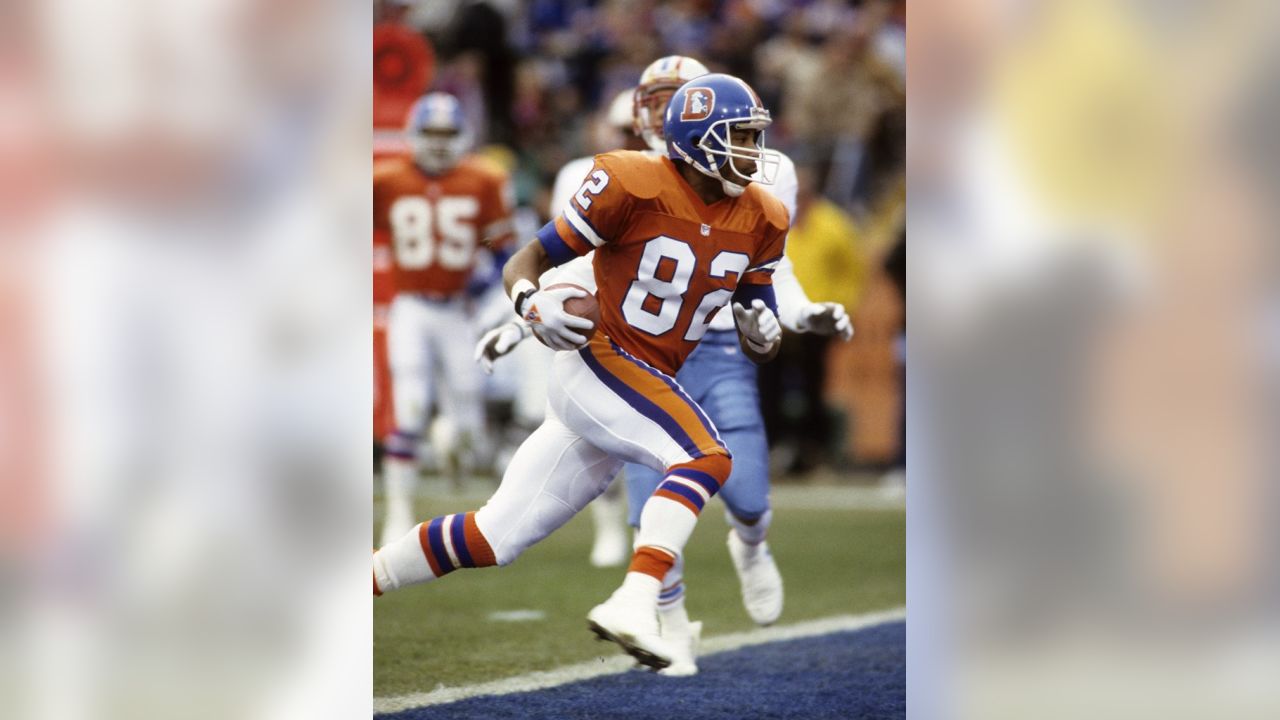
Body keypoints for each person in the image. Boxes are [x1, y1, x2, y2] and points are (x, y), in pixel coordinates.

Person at [374, 73, 788, 671]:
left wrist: (761, 337)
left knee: (493, 537)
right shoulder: (632, 181)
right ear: (698, 139)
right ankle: (636, 597)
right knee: (705, 456)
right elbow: (528, 259)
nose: (754, 151)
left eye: (755, 137)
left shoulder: (764, 216)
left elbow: (760, 328)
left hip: (641, 381)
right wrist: (526, 303)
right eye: (741, 136)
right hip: (601, 359)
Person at [477, 57, 853, 675]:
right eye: (654, 97)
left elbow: (769, 271)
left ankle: (750, 547)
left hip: (719, 346)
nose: (657, 109)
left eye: (675, 96)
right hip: (624, 349)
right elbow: (565, 271)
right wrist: (519, 322)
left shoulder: (764, 179)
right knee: (658, 481)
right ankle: (666, 622)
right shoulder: (615, 176)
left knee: (747, 492)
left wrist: (793, 316)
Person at [373, 92, 514, 547]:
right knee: (410, 404)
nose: (437, 143)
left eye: (446, 134)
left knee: (469, 426)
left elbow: (505, 253)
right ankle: (399, 514)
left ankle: (452, 441)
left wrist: (483, 280)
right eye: (430, 133)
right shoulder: (385, 179)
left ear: (463, 136)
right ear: (414, 135)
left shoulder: (483, 179)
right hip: (411, 307)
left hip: (457, 309)